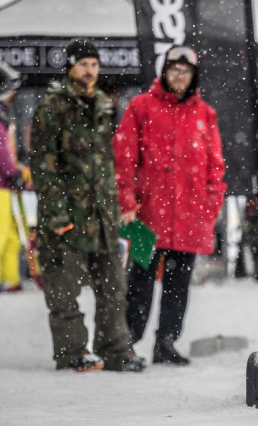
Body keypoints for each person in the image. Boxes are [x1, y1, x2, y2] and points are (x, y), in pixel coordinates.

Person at [30, 39, 145, 372]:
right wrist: (56, 214)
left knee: (113, 288)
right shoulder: (51, 106)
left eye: (94, 64)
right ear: (70, 67)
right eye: (84, 64)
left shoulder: (103, 106)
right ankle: (72, 352)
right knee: (64, 289)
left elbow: (109, 163)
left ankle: (115, 351)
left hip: (102, 215)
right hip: (67, 215)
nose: (90, 70)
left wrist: (117, 205)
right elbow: (43, 165)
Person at [114, 45, 226, 365]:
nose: (179, 76)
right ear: (164, 71)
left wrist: (210, 206)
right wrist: (127, 202)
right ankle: (128, 341)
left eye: (185, 71)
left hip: (190, 218)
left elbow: (215, 167)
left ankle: (166, 342)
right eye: (174, 69)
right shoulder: (140, 106)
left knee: (178, 284)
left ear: (193, 75)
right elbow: (123, 161)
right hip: (145, 216)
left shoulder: (205, 113)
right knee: (139, 281)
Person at [0, 62, 29, 293]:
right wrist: (14, 172)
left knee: (11, 234)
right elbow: (3, 153)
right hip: (1, 185)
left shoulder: (3, 116)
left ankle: (10, 278)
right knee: (2, 234)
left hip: (5, 185)